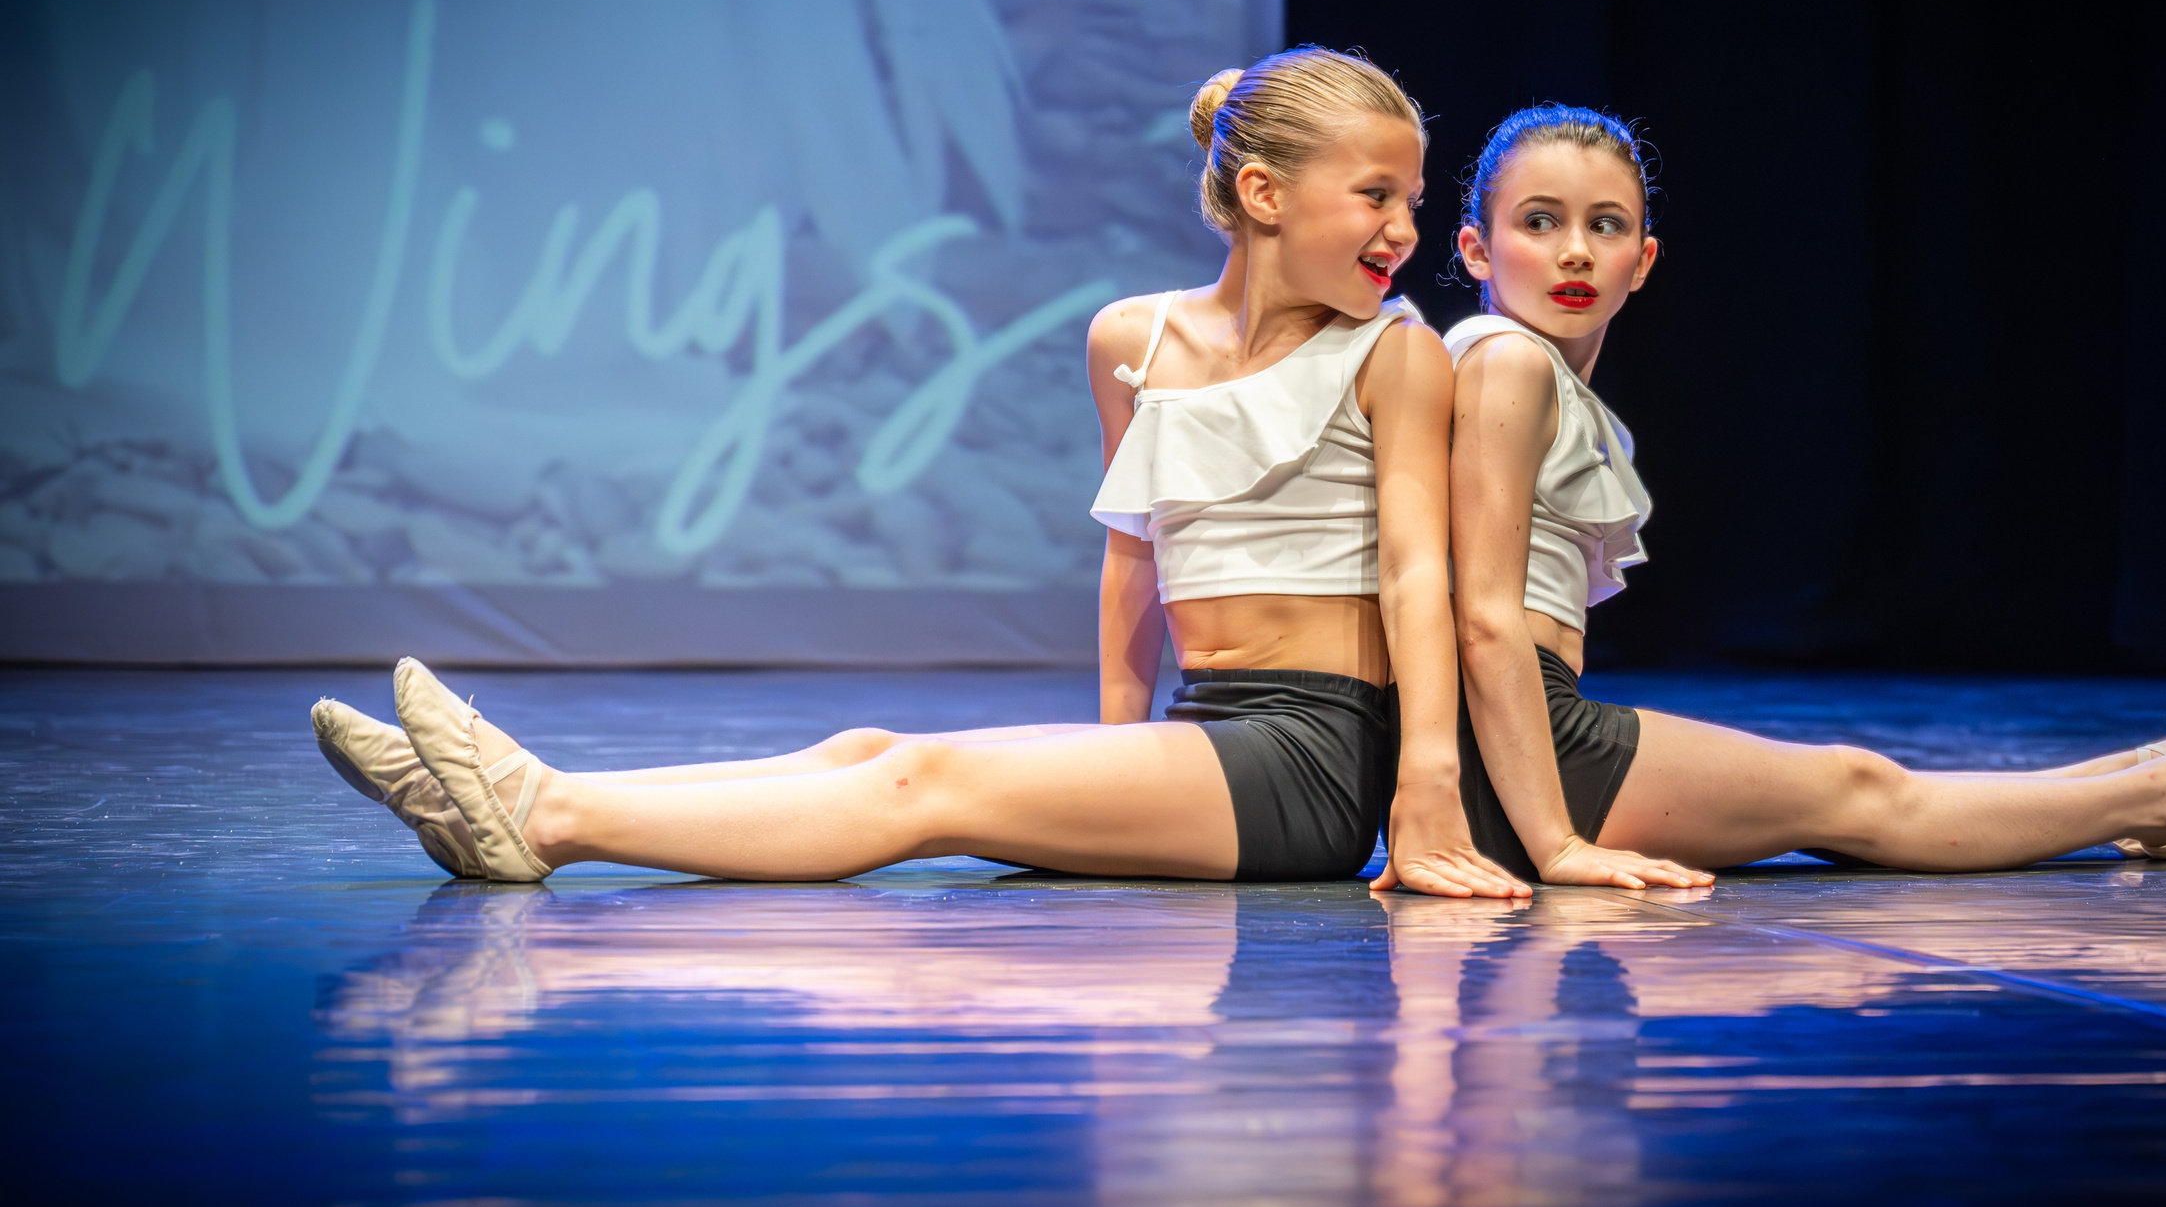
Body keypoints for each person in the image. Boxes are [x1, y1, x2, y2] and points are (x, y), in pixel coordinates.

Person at [314, 48, 1528, 897]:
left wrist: (1422, 791)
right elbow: (1133, 562)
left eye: (1411, 199)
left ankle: (540, 813)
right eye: (1375, 194)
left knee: (921, 782)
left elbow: (1421, 577)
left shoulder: (1395, 352)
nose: (1404, 227)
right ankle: (480, 804)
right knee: (860, 749)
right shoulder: (1131, 338)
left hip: (1313, 760)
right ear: (1262, 193)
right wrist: (1107, 764)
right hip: (1211, 736)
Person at [1438, 105, 2166, 885]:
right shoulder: (1508, 361)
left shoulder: (1534, 372)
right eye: (1540, 222)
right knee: (1858, 791)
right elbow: (1483, 618)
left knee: (1863, 788)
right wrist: (1554, 841)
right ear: (1477, 247)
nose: (1577, 250)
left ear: (1645, 259)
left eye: (1607, 224)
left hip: (1521, 738)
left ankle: (2133, 778)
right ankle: (2160, 797)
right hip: (1521, 749)